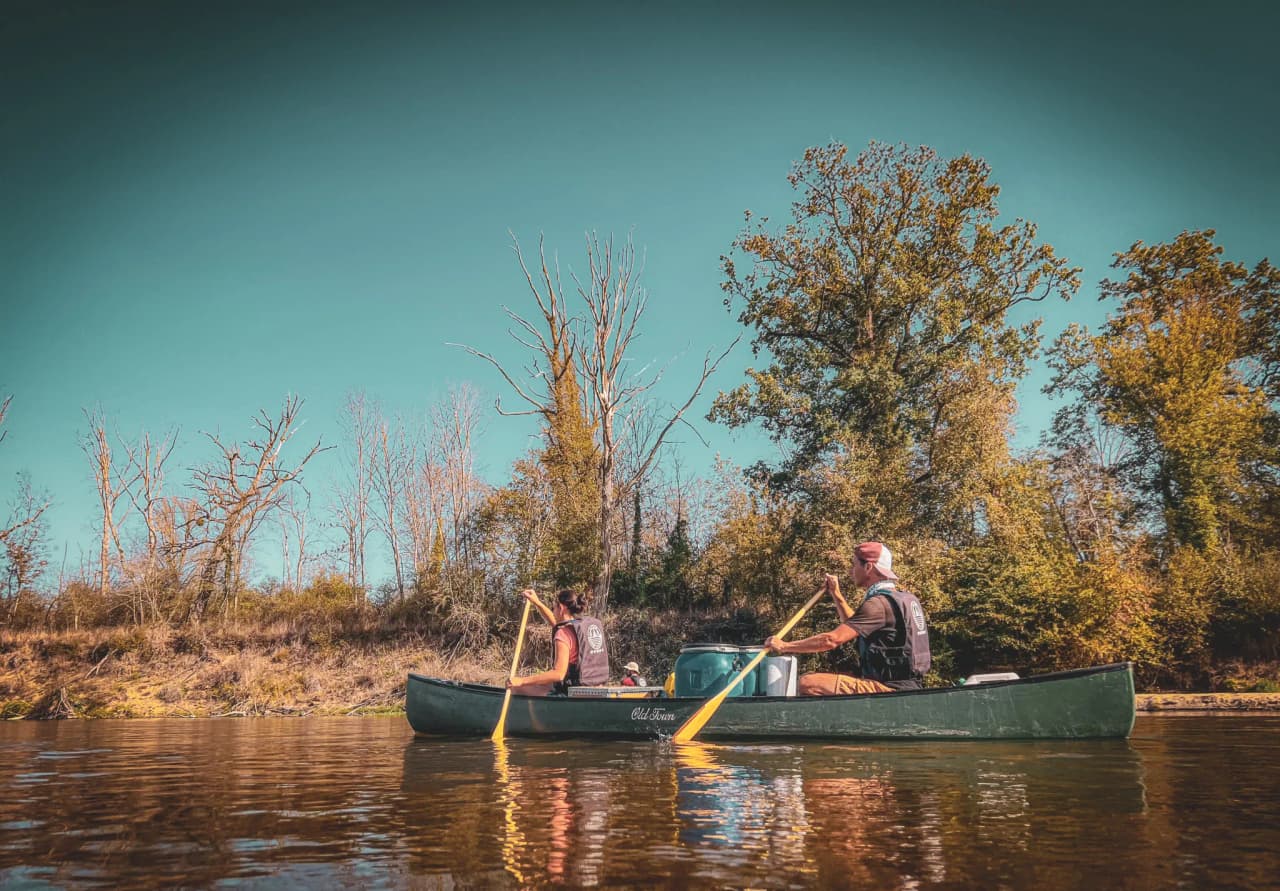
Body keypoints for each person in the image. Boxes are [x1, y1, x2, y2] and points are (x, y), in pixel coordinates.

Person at [764, 541, 931, 695]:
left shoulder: (878, 604)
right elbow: (854, 625)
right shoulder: (904, 599)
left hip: (888, 689)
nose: (851, 571)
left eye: (854, 564)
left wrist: (784, 646)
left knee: (807, 683)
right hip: (909, 685)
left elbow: (831, 640)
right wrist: (836, 594)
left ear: (868, 567)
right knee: (837, 675)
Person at [507, 588, 611, 696]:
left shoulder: (563, 633)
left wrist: (521, 681)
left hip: (571, 691)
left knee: (514, 688)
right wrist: (537, 602)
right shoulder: (582, 627)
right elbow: (555, 622)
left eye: (554, 608)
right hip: (594, 685)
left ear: (561, 608)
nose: (553, 611)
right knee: (544, 684)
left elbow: (558, 674)